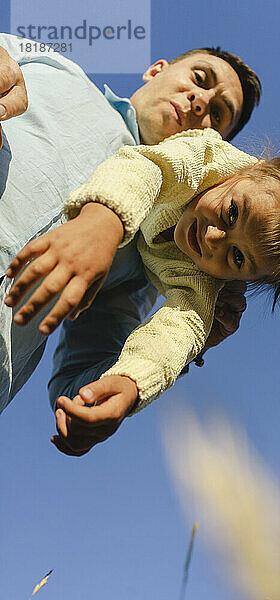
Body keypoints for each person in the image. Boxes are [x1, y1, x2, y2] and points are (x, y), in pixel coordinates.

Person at [3, 112, 280, 456]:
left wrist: (131, 382)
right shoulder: (205, 155)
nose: (214, 238)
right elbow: (146, 168)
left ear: (246, 279)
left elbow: (181, 326)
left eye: (237, 258)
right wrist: (102, 223)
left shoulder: (206, 278)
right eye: (232, 212)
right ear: (250, 171)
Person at [0, 33, 261, 420]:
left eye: (218, 115)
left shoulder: (144, 262)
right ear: (157, 70)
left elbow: (79, 384)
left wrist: (180, 349)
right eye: (200, 79)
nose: (201, 101)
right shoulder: (55, 65)